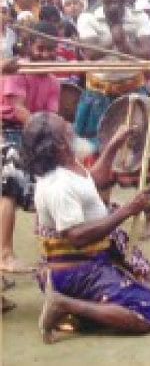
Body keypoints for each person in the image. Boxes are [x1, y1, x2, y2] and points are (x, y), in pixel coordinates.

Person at [22, 113, 150, 343]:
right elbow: (77, 236)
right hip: (75, 270)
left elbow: (91, 182)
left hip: (90, 260)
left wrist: (113, 146)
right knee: (144, 312)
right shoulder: (57, 185)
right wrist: (128, 210)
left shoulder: (68, 166)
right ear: (60, 145)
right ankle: (64, 304)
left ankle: (77, 310)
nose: (71, 126)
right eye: (65, 127)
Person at [74, 0, 150, 236]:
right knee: (99, 157)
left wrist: (125, 45)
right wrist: (113, 35)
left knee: (139, 156)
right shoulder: (87, 18)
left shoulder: (139, 18)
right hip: (97, 95)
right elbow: (89, 53)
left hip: (131, 93)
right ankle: (102, 216)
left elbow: (146, 52)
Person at [0, 21, 60, 275]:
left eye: (50, 49)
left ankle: (50, 251)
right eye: (40, 48)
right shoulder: (18, 70)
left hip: (37, 134)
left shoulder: (54, 81)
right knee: (11, 187)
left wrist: (56, 132)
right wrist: (47, 128)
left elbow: (51, 115)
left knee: (50, 186)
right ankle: (4, 253)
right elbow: (18, 110)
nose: (45, 54)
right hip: (9, 131)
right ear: (28, 46)